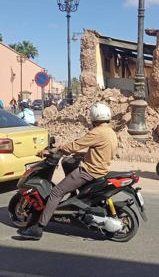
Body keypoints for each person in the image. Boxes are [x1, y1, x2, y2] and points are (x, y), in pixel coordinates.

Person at [17, 102, 118, 240]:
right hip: (101, 168)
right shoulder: (110, 131)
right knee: (67, 162)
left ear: (94, 117)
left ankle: (38, 228)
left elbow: (76, 144)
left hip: (89, 171)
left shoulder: (97, 132)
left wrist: (57, 149)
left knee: (56, 192)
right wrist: (82, 155)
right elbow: (100, 150)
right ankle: (73, 195)